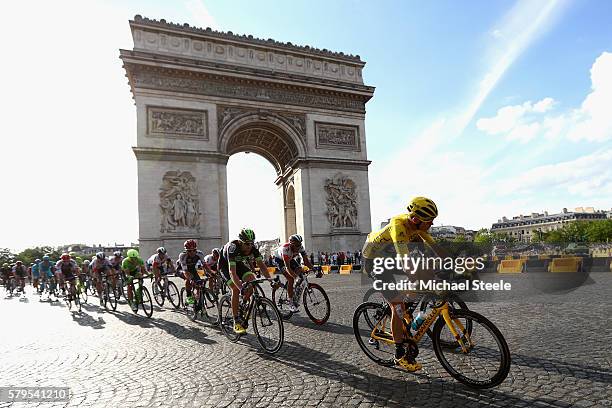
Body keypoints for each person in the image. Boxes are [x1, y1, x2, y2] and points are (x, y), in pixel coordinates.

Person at [362, 196, 440, 372]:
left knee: (424, 271)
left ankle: (407, 309)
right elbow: (405, 260)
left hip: (390, 257)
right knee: (397, 307)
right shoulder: (398, 225)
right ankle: (398, 354)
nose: (432, 224)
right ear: (415, 220)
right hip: (374, 261)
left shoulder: (419, 227)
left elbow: (436, 248)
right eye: (430, 221)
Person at [219, 228, 273, 334]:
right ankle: (236, 321)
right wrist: (241, 288)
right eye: (246, 244)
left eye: (251, 243)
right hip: (225, 266)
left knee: (252, 281)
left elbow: (262, 265)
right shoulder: (233, 248)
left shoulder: (252, 248)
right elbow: (232, 272)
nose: (249, 246)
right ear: (240, 242)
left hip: (239, 264)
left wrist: (271, 280)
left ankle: (243, 304)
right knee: (235, 289)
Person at [273, 234, 314, 312]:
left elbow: (306, 262)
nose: (298, 247)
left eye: (299, 245)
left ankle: (294, 289)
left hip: (290, 258)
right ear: (291, 244)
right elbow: (288, 267)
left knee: (300, 270)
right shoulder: (286, 249)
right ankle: (291, 303)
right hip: (280, 260)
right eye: (296, 245)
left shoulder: (300, 247)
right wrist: (294, 276)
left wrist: (314, 269)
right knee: (291, 279)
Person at [176, 239, 207, 306]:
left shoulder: (200, 254)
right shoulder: (182, 256)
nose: (192, 252)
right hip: (182, 269)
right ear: (186, 250)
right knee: (188, 280)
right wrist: (191, 279)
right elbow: (185, 271)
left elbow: (204, 265)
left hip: (194, 268)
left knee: (201, 281)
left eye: (194, 250)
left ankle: (197, 295)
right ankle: (189, 296)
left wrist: (211, 273)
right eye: (189, 251)